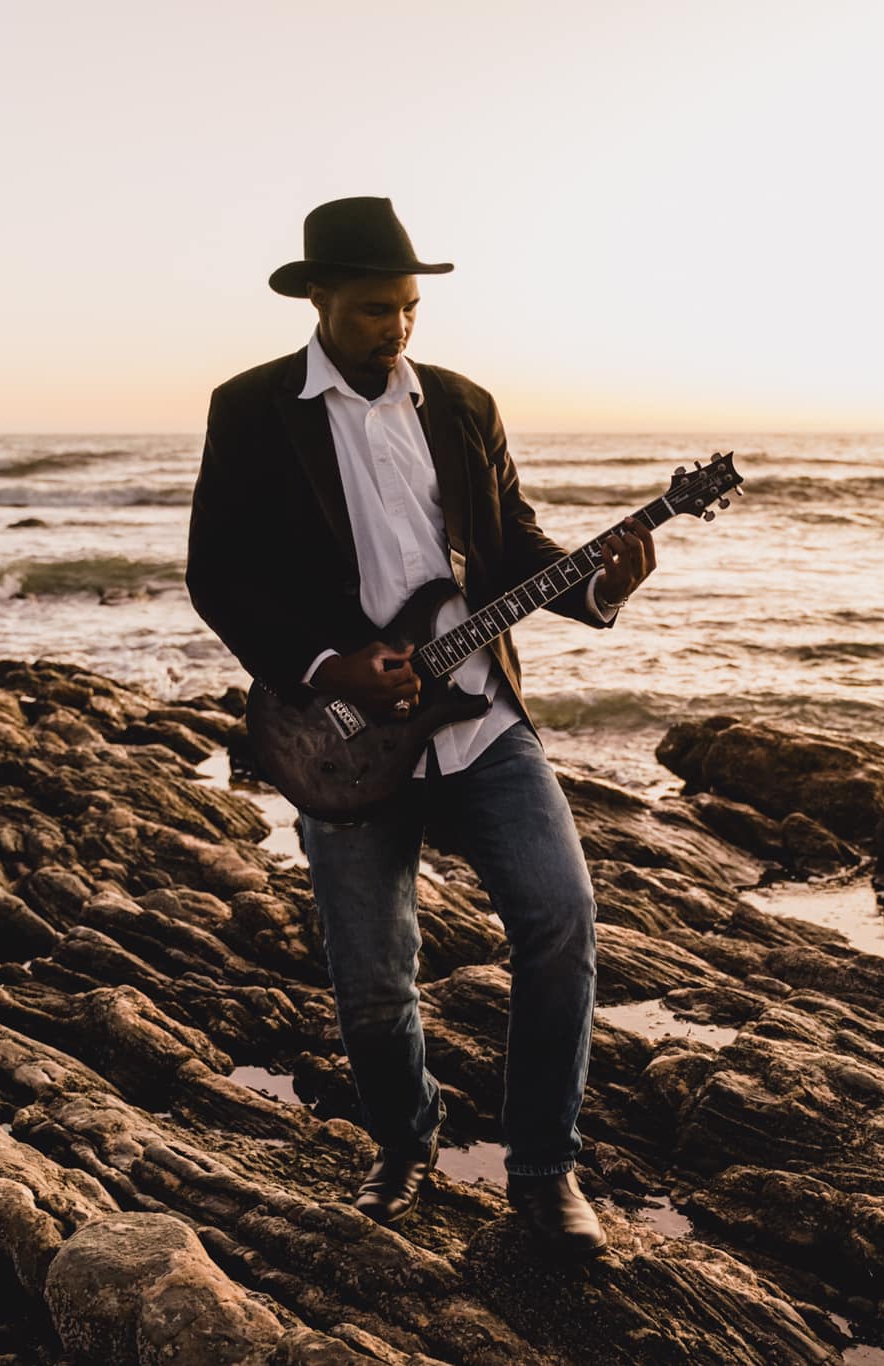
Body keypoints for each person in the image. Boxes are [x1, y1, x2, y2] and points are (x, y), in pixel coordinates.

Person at [185, 197, 654, 1256]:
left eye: (406, 307)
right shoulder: (253, 408)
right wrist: (325, 663)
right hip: (341, 738)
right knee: (371, 981)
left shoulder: (463, 404)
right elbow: (219, 573)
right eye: (370, 310)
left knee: (560, 921)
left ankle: (543, 1169)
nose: (395, 327)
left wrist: (596, 587)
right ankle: (403, 1144)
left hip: (482, 722)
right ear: (317, 301)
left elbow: (509, 545)